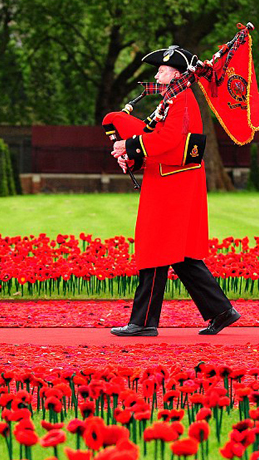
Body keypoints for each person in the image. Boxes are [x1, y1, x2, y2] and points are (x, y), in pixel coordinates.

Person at [102, 45, 241, 337]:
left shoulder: (182, 101)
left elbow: (167, 140)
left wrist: (127, 146)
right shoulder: (174, 99)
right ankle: (221, 310)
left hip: (173, 184)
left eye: (161, 70)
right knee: (181, 255)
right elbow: (161, 140)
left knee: (156, 249)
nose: (156, 75)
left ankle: (143, 322)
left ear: (175, 73)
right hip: (169, 180)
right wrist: (134, 157)